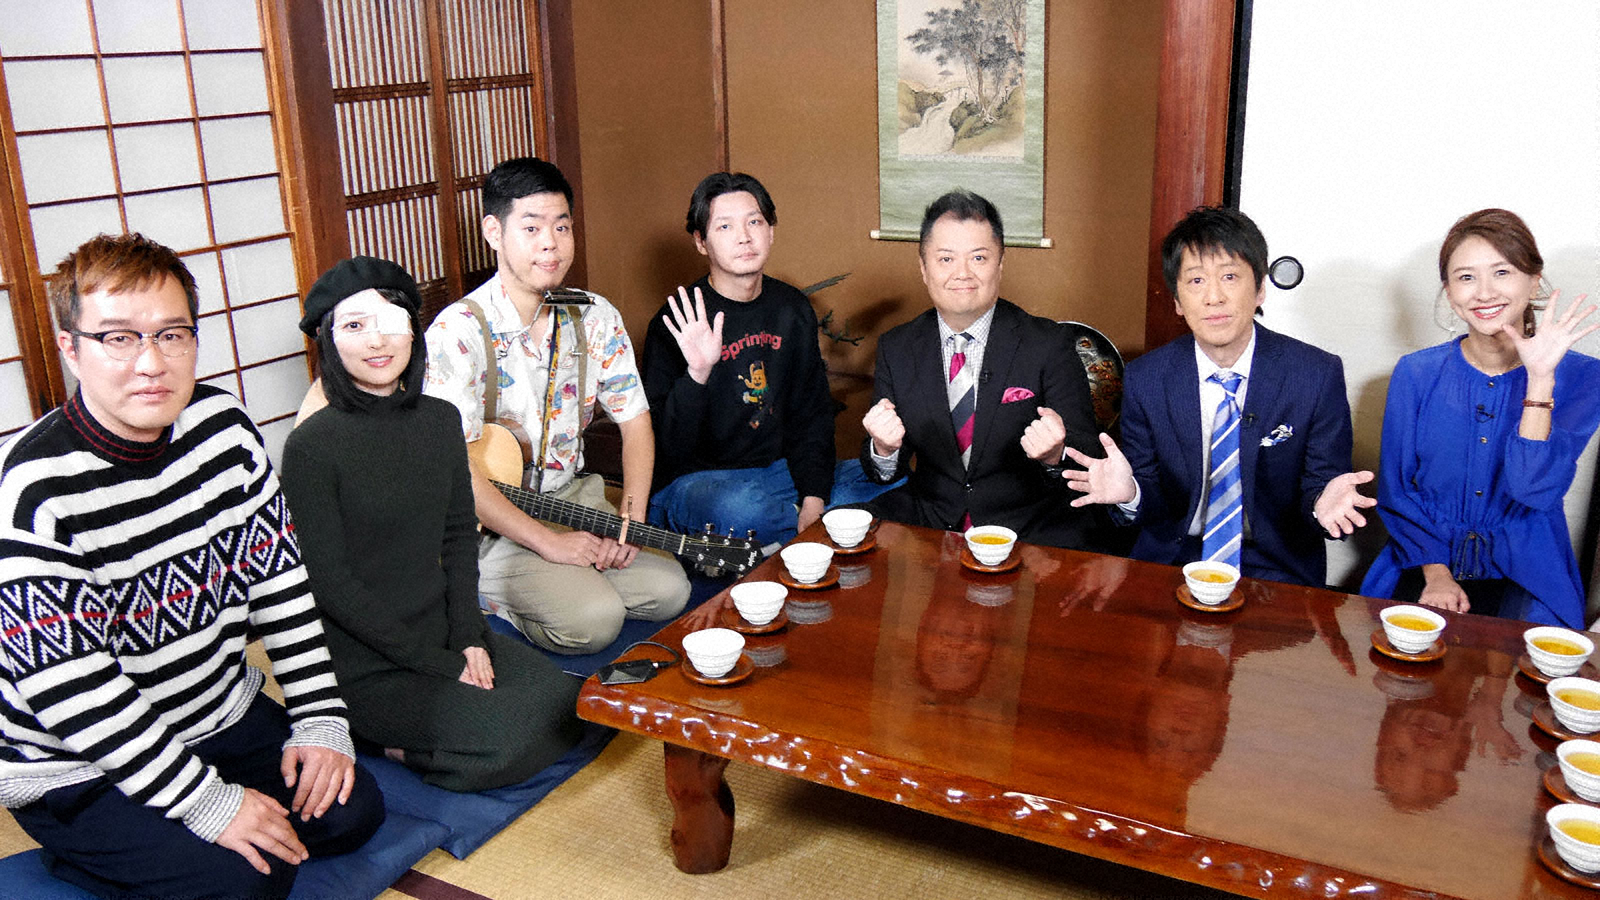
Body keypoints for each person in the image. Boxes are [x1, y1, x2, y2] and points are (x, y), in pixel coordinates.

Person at [0, 234, 383, 899]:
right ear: (71, 348)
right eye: (118, 338)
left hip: (213, 712)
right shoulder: (35, 493)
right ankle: (82, 854)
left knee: (350, 811)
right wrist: (208, 802)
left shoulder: (224, 429)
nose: (151, 362)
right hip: (80, 759)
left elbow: (282, 588)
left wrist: (320, 719)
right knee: (247, 880)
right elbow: (77, 696)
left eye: (172, 335)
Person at [280, 257, 584, 792]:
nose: (377, 341)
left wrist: (467, 637)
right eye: (354, 325)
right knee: (509, 736)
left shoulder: (440, 420)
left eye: (390, 322)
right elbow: (331, 585)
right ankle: (396, 747)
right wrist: (436, 664)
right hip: (365, 656)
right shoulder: (311, 447)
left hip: (441, 627)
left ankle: (453, 736)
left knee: (572, 705)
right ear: (329, 340)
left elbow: (459, 537)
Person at [423, 157, 689, 655]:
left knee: (669, 591)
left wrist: (629, 519)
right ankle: (477, 592)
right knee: (595, 621)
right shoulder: (456, 332)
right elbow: (455, 469)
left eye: (561, 227)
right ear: (494, 232)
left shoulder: (594, 315)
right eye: (532, 228)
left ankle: (564, 578)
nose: (551, 243)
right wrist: (548, 544)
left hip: (571, 497)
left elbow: (635, 421)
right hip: (486, 522)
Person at [1063, 206, 1374, 587]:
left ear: (1260, 288)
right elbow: (1149, 491)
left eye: (1229, 276)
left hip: (1275, 568)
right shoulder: (1147, 378)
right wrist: (1130, 495)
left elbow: (1321, 482)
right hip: (1172, 561)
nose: (1213, 297)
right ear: (1178, 301)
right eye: (1196, 280)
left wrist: (1322, 503)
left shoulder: (1315, 374)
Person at [1359, 209, 1600, 627]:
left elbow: (1532, 490)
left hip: (1529, 571)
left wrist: (1540, 380)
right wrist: (1437, 575)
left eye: (1502, 272)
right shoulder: (1416, 373)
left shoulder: (1582, 377)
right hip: (1425, 557)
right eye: (1466, 277)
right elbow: (1397, 490)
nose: (1484, 293)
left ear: (1534, 280)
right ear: (1449, 291)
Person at [642, 172, 896, 547]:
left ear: (771, 231)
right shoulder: (678, 318)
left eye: (755, 222)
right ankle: (822, 532)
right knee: (742, 510)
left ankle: (792, 531)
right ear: (700, 242)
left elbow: (811, 413)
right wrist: (697, 374)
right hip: (701, 483)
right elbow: (665, 448)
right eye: (725, 226)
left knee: (893, 480)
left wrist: (814, 497)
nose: (744, 237)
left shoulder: (791, 308)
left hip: (778, 475)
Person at [858, 189, 1100, 547]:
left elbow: (1090, 457)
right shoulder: (897, 347)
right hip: (931, 520)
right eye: (946, 259)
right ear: (923, 268)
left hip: (1029, 526)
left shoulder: (1048, 343)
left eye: (979, 258)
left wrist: (1055, 455)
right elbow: (882, 473)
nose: (962, 274)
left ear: (1000, 266)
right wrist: (883, 448)